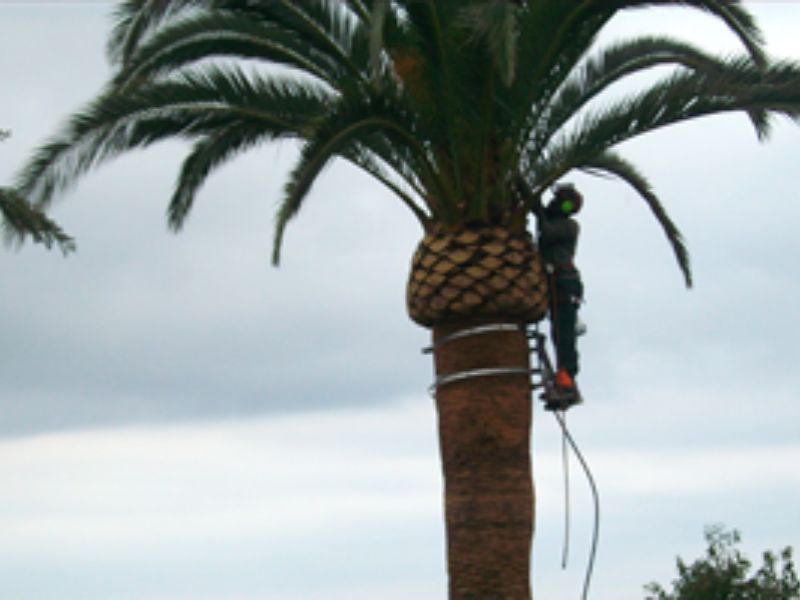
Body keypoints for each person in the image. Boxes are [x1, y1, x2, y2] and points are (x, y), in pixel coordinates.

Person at [533, 183, 584, 404]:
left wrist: (539, 211)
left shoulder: (569, 226)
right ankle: (562, 381)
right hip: (553, 284)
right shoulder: (550, 220)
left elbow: (548, 230)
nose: (554, 204)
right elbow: (538, 212)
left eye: (561, 201)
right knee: (557, 334)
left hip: (565, 285)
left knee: (564, 336)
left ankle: (567, 381)